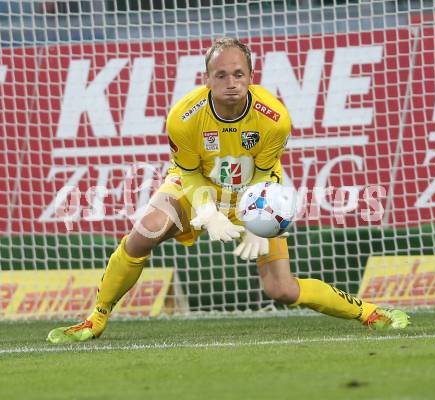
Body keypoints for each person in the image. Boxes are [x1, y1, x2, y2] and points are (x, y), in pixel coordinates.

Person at [47, 37, 409, 343]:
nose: (231, 82)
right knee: (146, 231)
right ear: (207, 79)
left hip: (257, 192)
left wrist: (254, 224)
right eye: (221, 75)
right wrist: (207, 211)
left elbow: (264, 177)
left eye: (239, 74)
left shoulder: (275, 119)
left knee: (282, 290)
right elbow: (187, 174)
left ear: (251, 77)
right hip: (195, 185)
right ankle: (95, 317)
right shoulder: (183, 118)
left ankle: (369, 312)